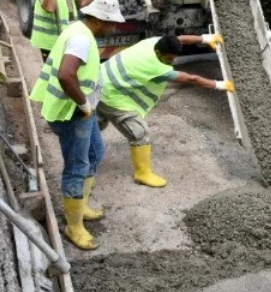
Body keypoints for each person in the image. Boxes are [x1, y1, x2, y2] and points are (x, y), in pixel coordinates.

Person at [28, 0, 126, 250]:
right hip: (71, 112)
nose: (113, 27)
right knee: (77, 165)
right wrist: (83, 104)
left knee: (95, 153)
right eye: (111, 23)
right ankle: (73, 226)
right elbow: (66, 74)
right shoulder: (82, 40)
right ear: (98, 19)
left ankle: (80, 206)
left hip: (82, 110)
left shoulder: (80, 30)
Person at [98, 33, 234, 188]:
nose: (173, 62)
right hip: (110, 95)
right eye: (169, 59)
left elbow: (179, 38)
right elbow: (191, 79)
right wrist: (219, 85)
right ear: (158, 53)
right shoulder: (154, 66)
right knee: (140, 133)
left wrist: (205, 38)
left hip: (98, 81)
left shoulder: (153, 42)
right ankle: (142, 173)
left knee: (96, 124)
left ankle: (84, 150)